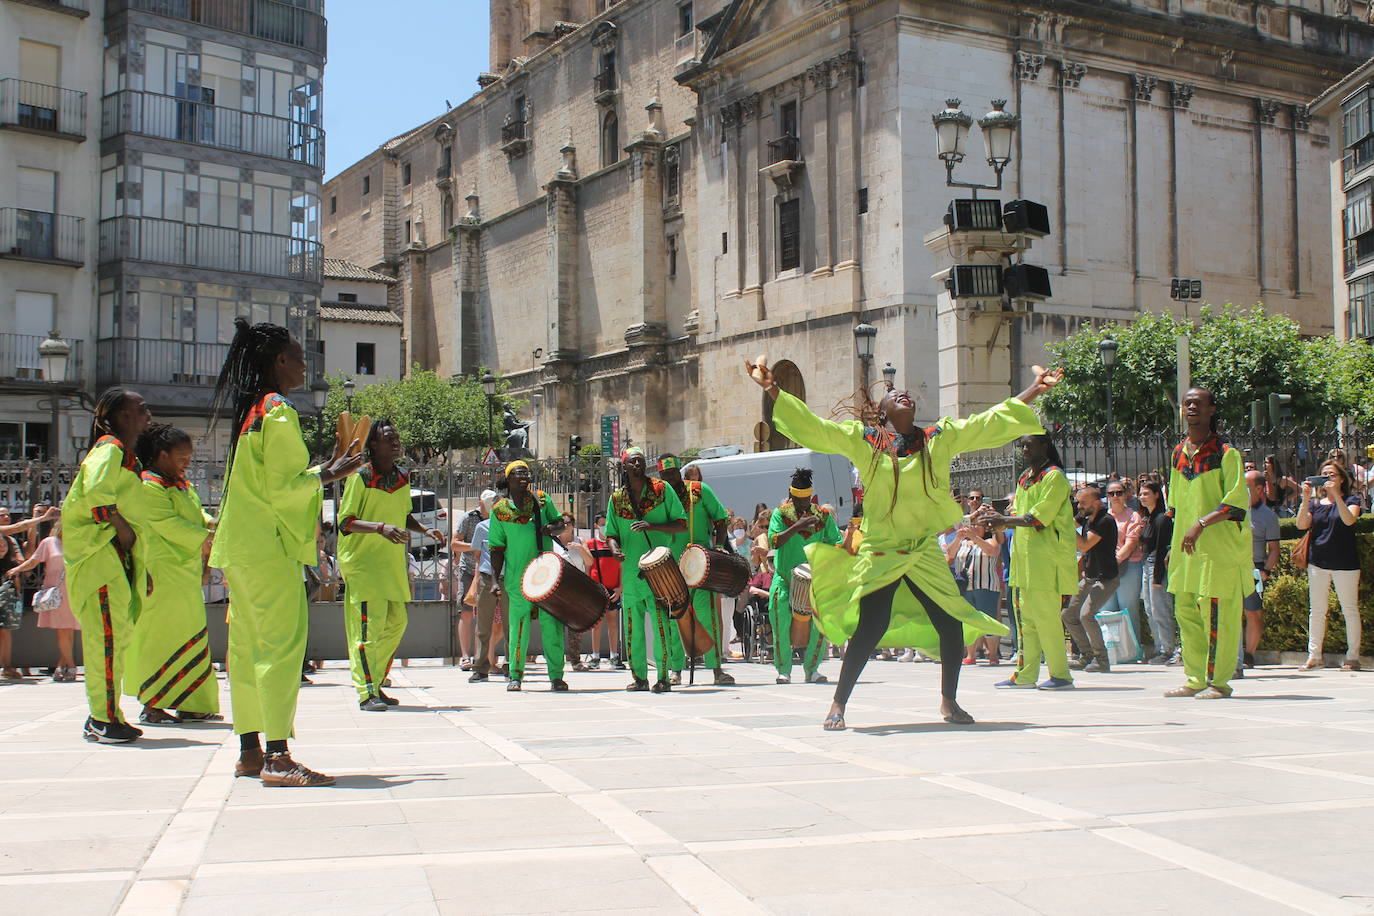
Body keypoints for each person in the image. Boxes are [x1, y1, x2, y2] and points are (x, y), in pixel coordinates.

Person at [748, 355, 1061, 729]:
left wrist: (1034, 390)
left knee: (951, 625)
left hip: (923, 548)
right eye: (895, 395)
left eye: (907, 394)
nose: (904, 395)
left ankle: (948, 702)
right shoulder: (865, 442)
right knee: (871, 626)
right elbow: (814, 428)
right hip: (881, 548)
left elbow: (985, 423)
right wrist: (772, 388)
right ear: (881, 414)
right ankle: (838, 703)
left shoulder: (938, 439)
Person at [210, 319, 363, 786]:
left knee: (246, 648)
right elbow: (285, 488)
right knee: (279, 647)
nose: (304, 366)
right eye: (299, 358)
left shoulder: (250, 412)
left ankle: (250, 751)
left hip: (241, 547)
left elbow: (260, 485)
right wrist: (329, 473)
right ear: (279, 361)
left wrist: (322, 472)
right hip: (268, 548)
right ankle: (278, 756)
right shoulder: (277, 410)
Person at [61, 388, 152, 742]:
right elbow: (96, 491)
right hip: (101, 558)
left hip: (115, 559)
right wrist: (120, 525)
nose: (147, 413)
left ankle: (106, 713)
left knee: (116, 639)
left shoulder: (123, 453)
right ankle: (103, 718)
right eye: (140, 408)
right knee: (107, 641)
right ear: (122, 415)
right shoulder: (110, 448)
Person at [338, 421, 443, 711]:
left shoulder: (402, 477)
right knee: (367, 630)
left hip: (391, 563)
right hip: (363, 564)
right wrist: (380, 528)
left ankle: (376, 682)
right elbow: (345, 522)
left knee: (396, 623)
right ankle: (365, 692)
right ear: (374, 444)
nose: (396, 442)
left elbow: (404, 514)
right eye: (389, 438)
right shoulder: (360, 477)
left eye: (397, 438)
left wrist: (425, 531)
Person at [126, 424, 221, 724]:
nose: (187, 463)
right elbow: (165, 523)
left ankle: (191, 702)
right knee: (160, 638)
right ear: (162, 455)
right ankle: (152, 704)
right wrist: (205, 536)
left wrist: (212, 525)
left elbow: (196, 514)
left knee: (191, 636)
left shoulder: (180, 484)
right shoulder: (148, 486)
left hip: (184, 573)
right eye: (182, 458)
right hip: (161, 573)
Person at [1164, 387, 1250, 699]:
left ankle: (1219, 681)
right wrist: (1173, 545)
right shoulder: (1177, 453)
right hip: (1186, 551)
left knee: (1217, 615)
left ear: (1212, 410)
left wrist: (1201, 524)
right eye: (1187, 403)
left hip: (1218, 550)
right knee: (1186, 612)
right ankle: (1195, 678)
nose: (1191, 408)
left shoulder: (1227, 453)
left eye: (1198, 403)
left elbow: (1236, 504)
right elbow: (1173, 506)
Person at [980, 435, 1078, 689]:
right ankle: (1025, 674)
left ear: (1044, 446)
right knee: (1026, 621)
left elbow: (1037, 518)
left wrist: (1004, 521)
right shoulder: (1025, 477)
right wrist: (995, 516)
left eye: (1029, 444)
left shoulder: (1054, 477)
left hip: (1046, 561)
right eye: (1021, 445)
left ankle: (1060, 674)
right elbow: (1016, 513)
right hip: (1023, 561)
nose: (1024, 449)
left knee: (1046, 619)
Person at [603, 447, 687, 693]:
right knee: (633, 629)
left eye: (641, 461)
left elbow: (681, 524)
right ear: (625, 467)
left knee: (661, 625)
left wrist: (652, 525)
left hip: (658, 572)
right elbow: (611, 534)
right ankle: (639, 677)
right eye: (633, 462)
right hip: (630, 574)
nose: (638, 465)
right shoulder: (617, 499)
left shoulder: (662, 490)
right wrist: (614, 549)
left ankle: (663, 676)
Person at [488, 461, 567, 692]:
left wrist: (551, 529)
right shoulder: (500, 510)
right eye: (518, 473)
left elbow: (560, 523)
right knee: (518, 627)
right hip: (517, 578)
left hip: (546, 576)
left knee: (551, 625)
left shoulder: (541, 499)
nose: (524, 477)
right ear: (508, 479)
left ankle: (556, 676)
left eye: (526, 473)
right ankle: (515, 675)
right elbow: (496, 548)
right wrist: (494, 580)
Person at [659, 453, 736, 686]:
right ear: (660, 476)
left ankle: (716, 669)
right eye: (665, 475)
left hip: (700, 562)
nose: (670, 479)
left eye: (673, 474)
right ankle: (676, 670)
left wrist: (720, 546)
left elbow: (721, 519)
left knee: (708, 616)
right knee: (675, 617)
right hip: (672, 565)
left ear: (679, 472)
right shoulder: (658, 497)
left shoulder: (699, 490)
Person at [767, 469, 843, 685]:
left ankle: (813, 668)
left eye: (806, 499)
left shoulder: (822, 515)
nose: (802, 504)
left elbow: (835, 541)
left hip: (814, 578)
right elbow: (774, 542)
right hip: (784, 576)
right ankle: (784, 670)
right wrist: (798, 526)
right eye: (798, 500)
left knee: (819, 623)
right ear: (791, 497)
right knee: (779, 615)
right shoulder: (780, 514)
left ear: (810, 497)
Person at [1297, 460, 1363, 670]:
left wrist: (1336, 496)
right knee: (1316, 610)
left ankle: (1352, 656)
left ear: (1342, 479)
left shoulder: (1352, 499)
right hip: (1318, 562)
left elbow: (1349, 520)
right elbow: (1301, 524)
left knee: (1349, 609)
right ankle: (1314, 655)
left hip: (1345, 562)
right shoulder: (1316, 504)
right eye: (1324, 474)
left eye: (1332, 475)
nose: (1328, 478)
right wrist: (1305, 499)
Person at [6, 520, 78, 681]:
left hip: (73, 590)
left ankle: (62, 665)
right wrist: (18, 568)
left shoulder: (78, 541)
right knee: (62, 630)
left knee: (68, 630)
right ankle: (70, 666)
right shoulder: (49, 542)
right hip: (56, 592)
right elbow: (33, 561)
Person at [1062, 484, 1119, 672]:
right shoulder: (1086, 516)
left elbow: (1084, 546)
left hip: (1106, 578)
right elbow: (1070, 522)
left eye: (1083, 503)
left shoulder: (1105, 521)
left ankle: (1101, 660)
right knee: (1068, 615)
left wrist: (1067, 527)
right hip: (1090, 577)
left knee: (1086, 616)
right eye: (1078, 503)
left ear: (1097, 503)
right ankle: (1086, 656)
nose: (1079, 506)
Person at [944, 513, 1003, 666]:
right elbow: (950, 555)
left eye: (977, 525)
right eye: (972, 525)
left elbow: (992, 551)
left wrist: (975, 538)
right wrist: (958, 538)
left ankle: (993, 655)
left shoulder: (990, 540)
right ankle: (971, 654)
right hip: (966, 587)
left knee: (988, 619)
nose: (974, 528)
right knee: (968, 620)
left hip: (985, 586)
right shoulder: (964, 543)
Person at [466, 488, 507, 682]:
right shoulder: (482, 527)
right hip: (487, 576)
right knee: (483, 625)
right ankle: (480, 667)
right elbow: (477, 554)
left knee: (510, 624)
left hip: (508, 577)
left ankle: (511, 665)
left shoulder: (512, 526)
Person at [1137, 479, 1176, 665]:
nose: (1142, 497)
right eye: (1141, 494)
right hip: (1146, 564)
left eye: (1146, 494)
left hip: (1155, 565)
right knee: (1149, 609)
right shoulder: (1149, 518)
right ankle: (1158, 646)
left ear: (1157, 495)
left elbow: (1162, 549)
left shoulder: (1162, 518)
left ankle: (1168, 649)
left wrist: (1158, 577)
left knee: (1161, 609)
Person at [1100, 481, 1145, 639]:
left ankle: (1133, 649)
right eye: (1111, 493)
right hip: (1106, 569)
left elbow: (1131, 543)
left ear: (1126, 494)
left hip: (1129, 565)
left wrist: (1114, 561)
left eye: (1119, 492)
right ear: (1107, 496)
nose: (1115, 496)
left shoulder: (1133, 516)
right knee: (1107, 609)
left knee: (1128, 609)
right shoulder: (1103, 517)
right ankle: (1114, 651)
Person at [449, 499, 485, 670]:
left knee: (486, 616)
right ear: (480, 503)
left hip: (488, 571)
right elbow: (454, 543)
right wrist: (474, 546)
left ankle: (481, 657)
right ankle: (465, 657)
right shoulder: (468, 518)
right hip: (468, 571)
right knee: (466, 612)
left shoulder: (498, 518)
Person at [584, 513, 623, 669]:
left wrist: (620, 588)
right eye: (602, 524)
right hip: (597, 589)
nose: (604, 527)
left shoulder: (616, 544)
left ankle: (614, 656)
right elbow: (588, 567)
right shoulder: (591, 544)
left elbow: (621, 568)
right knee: (597, 624)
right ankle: (595, 657)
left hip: (613, 589)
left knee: (613, 623)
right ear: (596, 526)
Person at [0, 523, 25, 679]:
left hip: (6, 604)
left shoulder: (12, 564)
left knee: (5, 633)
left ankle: (7, 666)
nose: (2, 547)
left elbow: (18, 587)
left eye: (3, 544)